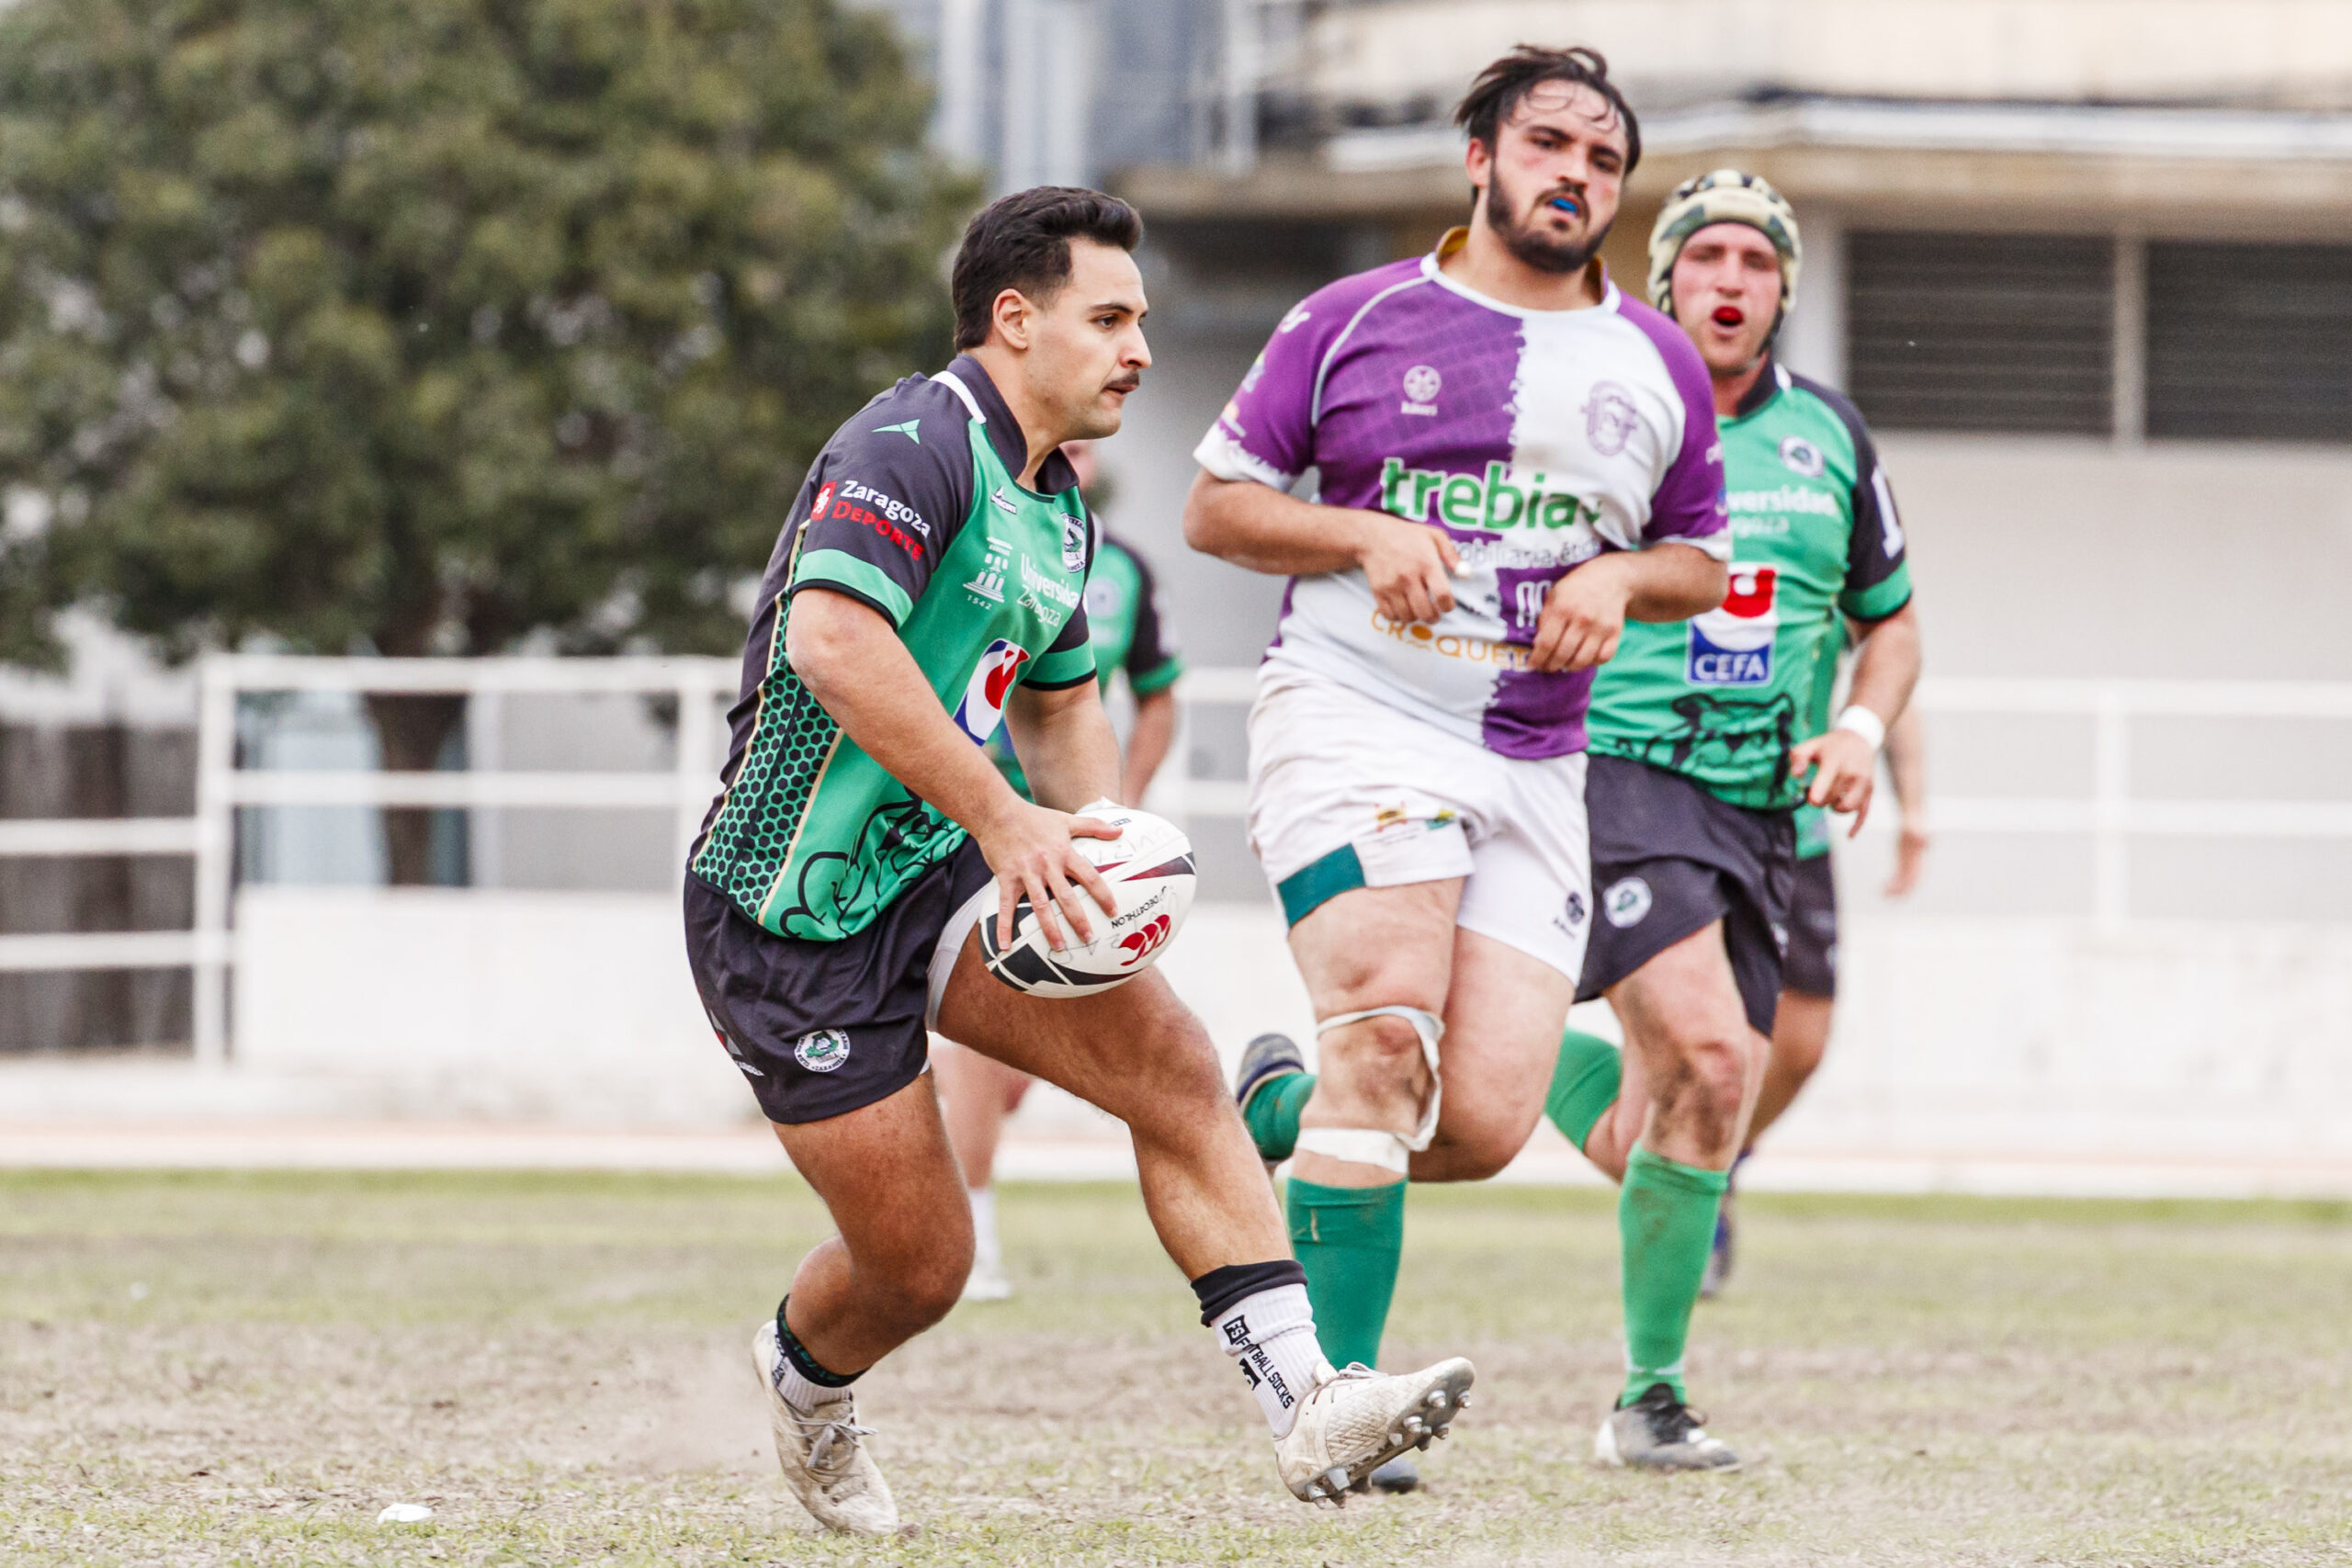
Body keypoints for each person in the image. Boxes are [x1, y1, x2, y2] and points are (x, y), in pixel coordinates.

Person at [683, 186, 1476, 1536]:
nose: (1139, 350)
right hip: (786, 911)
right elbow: (832, 643)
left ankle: (1308, 1400)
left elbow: (1058, 705)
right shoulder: (912, 443)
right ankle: (802, 1380)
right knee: (920, 1265)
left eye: (1140, 321)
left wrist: (1097, 844)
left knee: (1175, 1066)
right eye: (1109, 319)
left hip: (938, 876)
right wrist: (1007, 821)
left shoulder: (1058, 509)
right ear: (1014, 319)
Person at [1182, 48, 1729, 1495]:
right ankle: (1334, 1404)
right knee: (1387, 1040)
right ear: (1480, 156)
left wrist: (1621, 577)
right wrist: (1361, 534)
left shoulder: (1658, 362)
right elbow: (1216, 505)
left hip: (1538, 757)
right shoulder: (1353, 317)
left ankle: (1275, 1113)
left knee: (1477, 1122)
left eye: (1602, 159)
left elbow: (1699, 557)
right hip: (1355, 711)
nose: (1576, 175)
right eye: (1549, 143)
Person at [1537, 170, 1923, 1466]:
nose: (1731, 280)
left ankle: (1384, 1079)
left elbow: (1892, 624)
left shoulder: (1830, 436)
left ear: (1783, 290)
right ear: (1665, 279)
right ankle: (1650, 1397)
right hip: (1621, 768)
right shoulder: (1606, 416)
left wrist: (1858, 731)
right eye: (1706, 255)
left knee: (1688, 1106)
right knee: (1708, 1063)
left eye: (1757, 262)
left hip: (1768, 806)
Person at [936, 437, 1186, 1301]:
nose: (1072, 454)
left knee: (1017, 1067)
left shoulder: (1123, 568)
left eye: (1084, 448)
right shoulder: (973, 533)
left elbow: (1157, 694)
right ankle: (975, 1232)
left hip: (1069, 821)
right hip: (975, 816)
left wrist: (1122, 809)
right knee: (981, 1048)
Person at [1708, 705, 1928, 1290]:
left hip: (1794, 828)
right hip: (1681, 816)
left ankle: (1716, 1164)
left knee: (1802, 1046)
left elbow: (1893, 675)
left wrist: (1913, 809)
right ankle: (1685, 1180)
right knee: (1687, 1033)